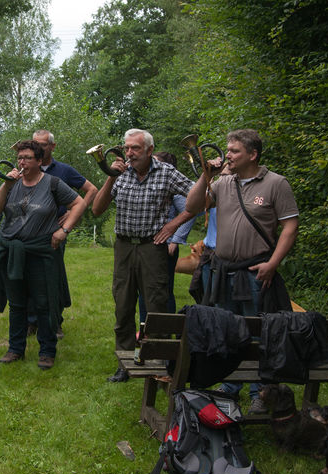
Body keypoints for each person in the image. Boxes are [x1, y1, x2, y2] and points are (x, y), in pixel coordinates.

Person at [185, 129, 298, 413]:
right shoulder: (223, 182)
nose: (227, 155)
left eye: (234, 151)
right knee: (226, 329)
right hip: (223, 271)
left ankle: (260, 392)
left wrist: (273, 264)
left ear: (252, 154)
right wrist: (206, 176)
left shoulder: (276, 184)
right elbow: (192, 205)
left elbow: (290, 226)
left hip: (256, 272)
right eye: (228, 150)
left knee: (260, 332)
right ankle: (230, 385)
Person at [92, 129, 195, 382]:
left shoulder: (166, 173)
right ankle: (125, 363)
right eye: (127, 148)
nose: (129, 153)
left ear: (149, 150)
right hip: (124, 247)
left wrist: (174, 226)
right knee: (123, 305)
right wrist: (110, 177)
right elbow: (96, 209)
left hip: (152, 247)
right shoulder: (121, 173)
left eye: (135, 148)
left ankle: (161, 366)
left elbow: (201, 198)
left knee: (157, 306)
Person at [0, 140, 86, 370]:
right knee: (17, 304)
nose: (22, 161)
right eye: (20, 157)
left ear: (40, 161)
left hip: (41, 251)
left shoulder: (53, 183)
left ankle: (47, 351)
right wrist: (6, 184)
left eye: (27, 158)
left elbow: (79, 202)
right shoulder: (12, 184)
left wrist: (64, 230)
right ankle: (15, 349)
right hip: (13, 250)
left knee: (44, 303)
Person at [26, 129, 98, 338]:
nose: (38, 147)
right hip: (29, 232)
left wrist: (72, 213)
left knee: (52, 278)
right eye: (35, 143)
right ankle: (31, 322)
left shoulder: (64, 171)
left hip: (54, 233)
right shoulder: (27, 167)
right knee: (29, 276)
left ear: (52, 146)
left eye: (43, 144)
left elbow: (92, 190)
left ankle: (54, 322)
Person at [137, 151, 199, 322]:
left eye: (155, 162)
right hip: (147, 245)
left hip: (165, 246)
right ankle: (145, 329)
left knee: (163, 291)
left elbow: (191, 211)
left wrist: (175, 239)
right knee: (144, 290)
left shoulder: (173, 186)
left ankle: (167, 329)